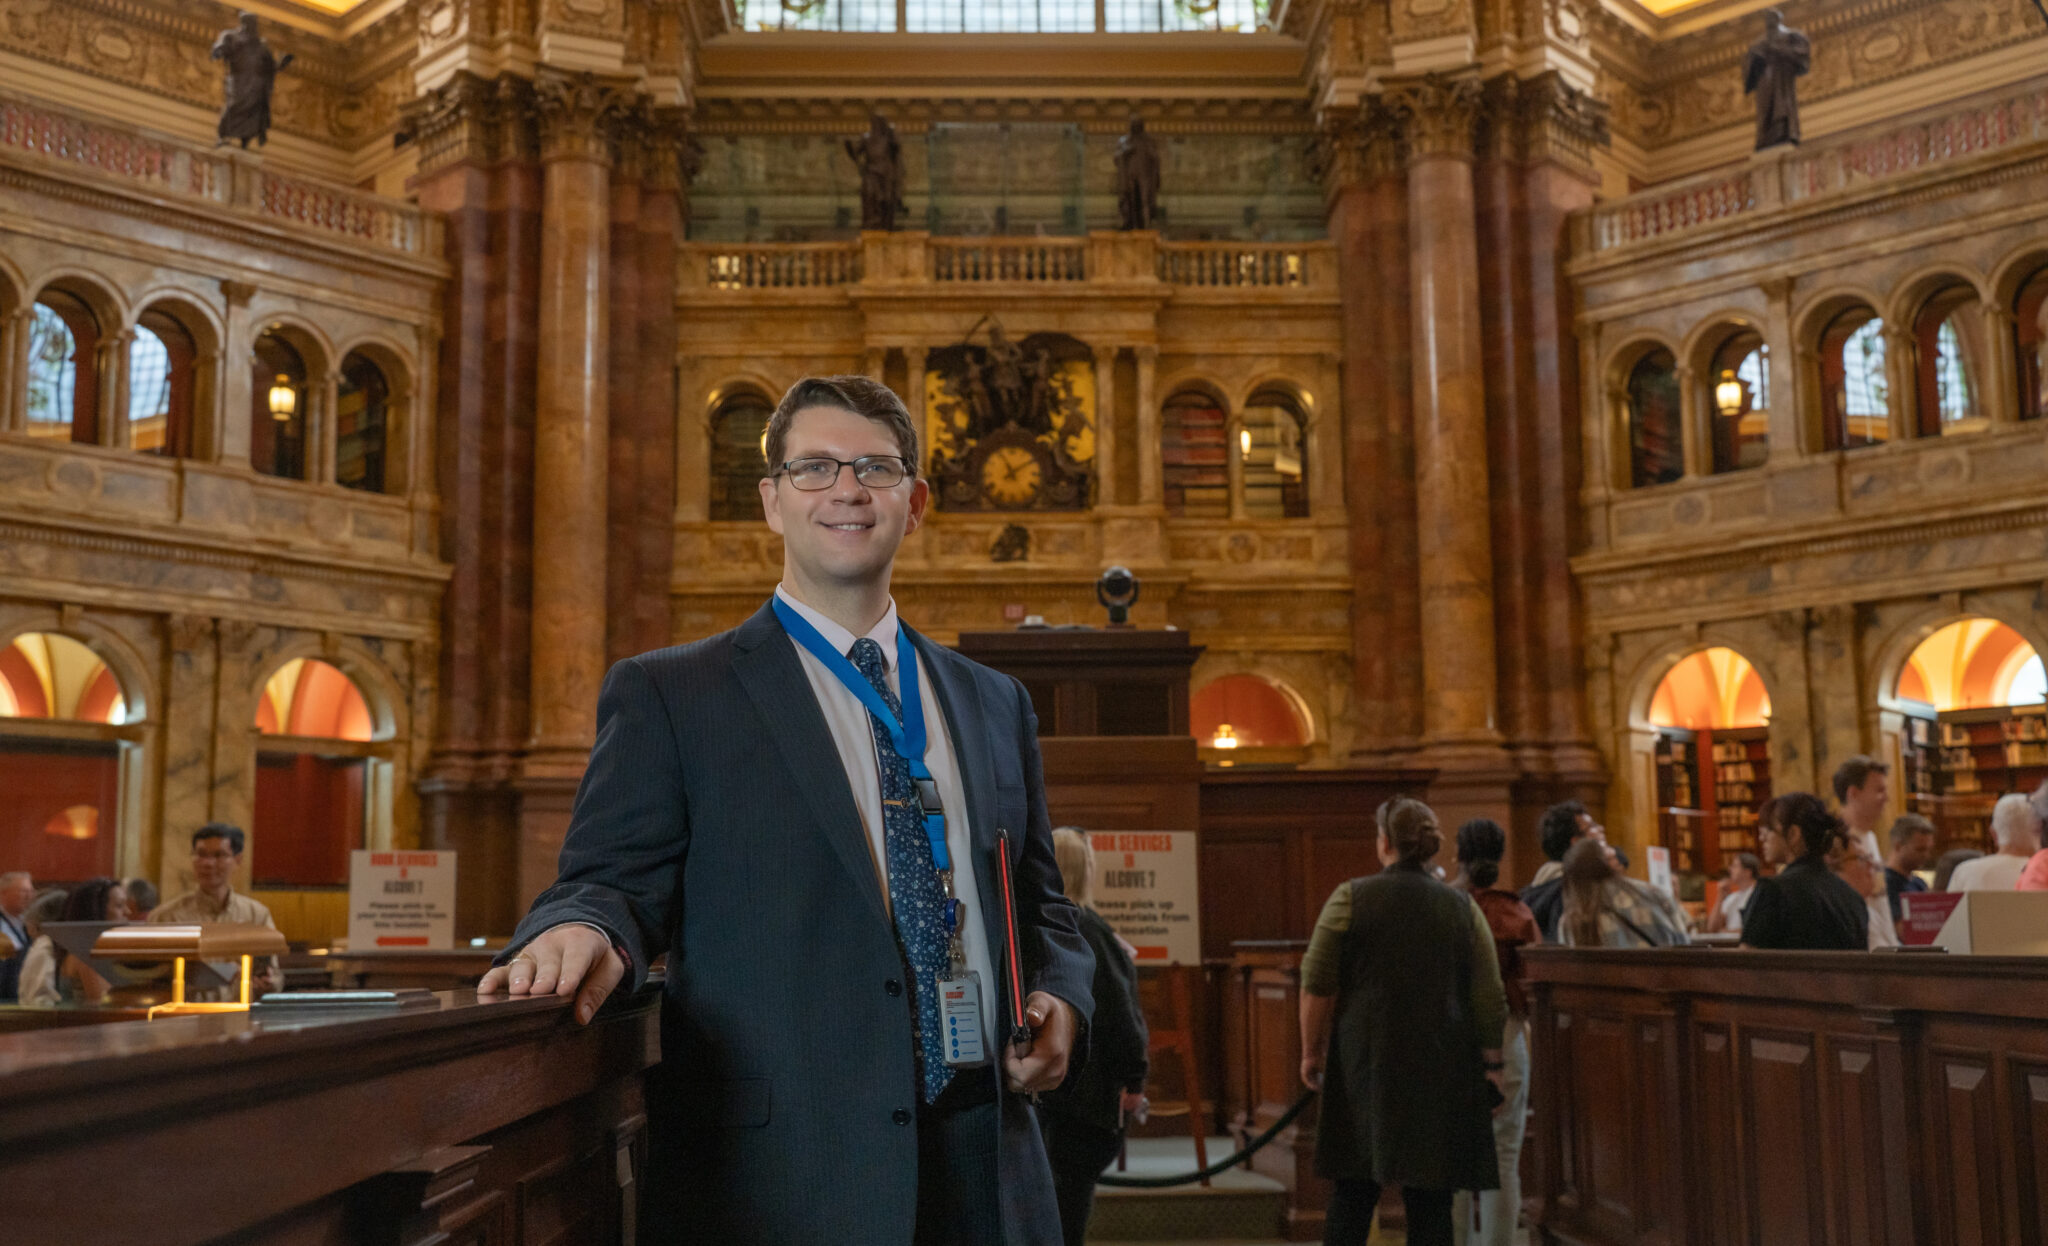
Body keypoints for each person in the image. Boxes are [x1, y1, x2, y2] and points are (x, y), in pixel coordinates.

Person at [476, 376, 1093, 1246]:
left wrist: (1063, 999)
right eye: (815, 468)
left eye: (875, 468)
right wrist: (582, 927)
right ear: (771, 502)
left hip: (987, 1165)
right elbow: (608, 882)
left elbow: (1043, 906)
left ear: (913, 503)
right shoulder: (672, 694)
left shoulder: (994, 702)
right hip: (783, 1179)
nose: (847, 488)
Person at [1300, 797, 1506, 1246]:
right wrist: (1494, 1065)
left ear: (1385, 842)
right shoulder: (1462, 908)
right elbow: (1488, 994)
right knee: (1431, 1197)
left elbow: (1316, 982)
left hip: (1365, 1060)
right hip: (1441, 1059)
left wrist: (1311, 1052)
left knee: (1353, 1190)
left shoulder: (1348, 899)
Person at [1037, 828, 1148, 1246]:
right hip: (1086, 1097)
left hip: (1046, 1093)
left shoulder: (1046, 928)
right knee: (1069, 1213)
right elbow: (1121, 1018)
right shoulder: (1090, 931)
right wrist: (1134, 1080)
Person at [1450, 818, 1538, 1246]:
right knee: (1503, 1157)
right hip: (1506, 1033)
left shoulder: (1443, 907)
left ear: (1457, 855)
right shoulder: (1515, 912)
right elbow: (1531, 984)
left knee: (1452, 1158)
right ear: (1500, 859)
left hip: (1449, 1035)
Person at [151, 824, 285, 996]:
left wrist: (270, 982)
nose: (208, 863)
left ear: (238, 860)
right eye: (201, 855)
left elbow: (273, 973)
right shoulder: (166, 916)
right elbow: (151, 976)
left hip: (240, 1017)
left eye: (219, 855)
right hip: (185, 1017)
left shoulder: (256, 915)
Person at [1741, 794, 1867, 950]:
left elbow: (1747, 964)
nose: (1762, 837)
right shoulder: (1852, 897)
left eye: (1769, 830)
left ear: (1794, 834)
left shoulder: (1773, 891)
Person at [1555, 839, 1692, 948]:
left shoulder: (1571, 921)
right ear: (1610, 864)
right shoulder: (1653, 894)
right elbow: (1684, 943)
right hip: (1662, 980)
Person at [18, 878, 131, 1007]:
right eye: (119, 905)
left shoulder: (84, 947)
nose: (127, 912)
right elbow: (108, 1006)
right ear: (96, 910)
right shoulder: (86, 952)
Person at [1832, 756, 1902, 947]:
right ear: (1853, 793)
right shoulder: (1837, 843)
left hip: (1885, 948)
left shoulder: (1869, 837)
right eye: (1879, 790)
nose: (1886, 798)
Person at [1520, 801, 1606, 941]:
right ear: (1577, 843)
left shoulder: (1529, 893)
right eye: (1592, 827)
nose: (1601, 829)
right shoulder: (1575, 892)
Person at [1945, 793, 2042, 892]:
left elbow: (1950, 907)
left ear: (1993, 833)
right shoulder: (2042, 872)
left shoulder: (1965, 872)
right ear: (2040, 831)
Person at [1882, 815, 1935, 921]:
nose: (1926, 856)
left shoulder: (1919, 883)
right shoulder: (1885, 883)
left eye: (1928, 850)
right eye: (1920, 850)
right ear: (1898, 846)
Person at [1708, 853, 1762, 935]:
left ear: (1747, 872)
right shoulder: (1732, 898)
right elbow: (1712, 928)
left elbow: (1755, 930)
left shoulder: (1759, 895)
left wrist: (1724, 932)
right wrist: (1720, 897)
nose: (1730, 869)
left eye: (1735, 866)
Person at [0, 870, 32, 1001]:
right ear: (3, 894)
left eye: (31, 891)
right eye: (23, 891)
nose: (29, 896)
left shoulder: (29, 922)